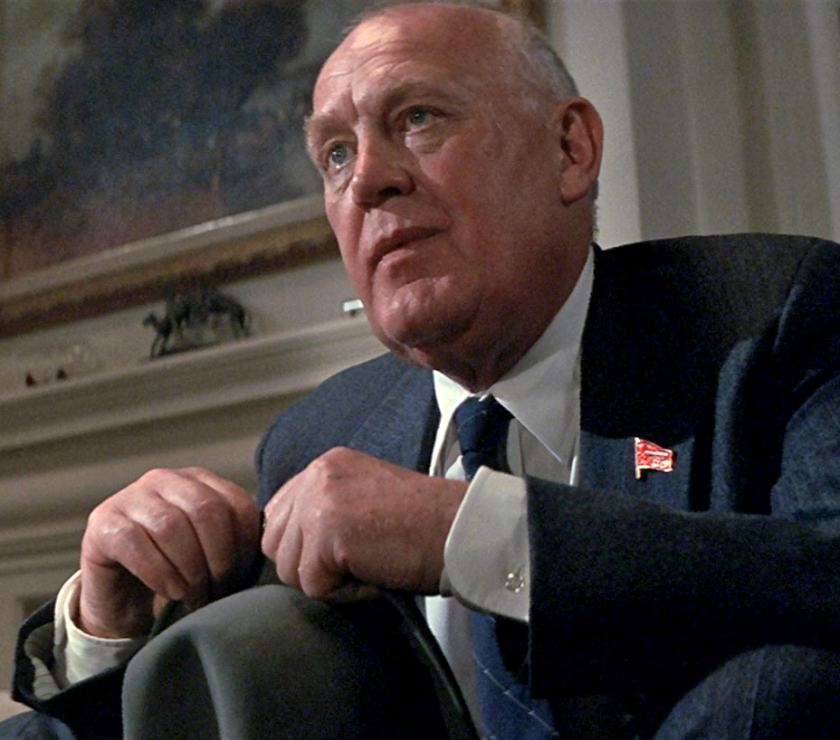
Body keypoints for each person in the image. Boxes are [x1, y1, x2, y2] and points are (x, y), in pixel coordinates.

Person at [5, 2, 840, 738]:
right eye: (336, 155)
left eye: (417, 118)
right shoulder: (319, 437)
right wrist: (108, 624)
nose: (368, 179)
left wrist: (469, 536)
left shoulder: (772, 313)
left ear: (570, 148)